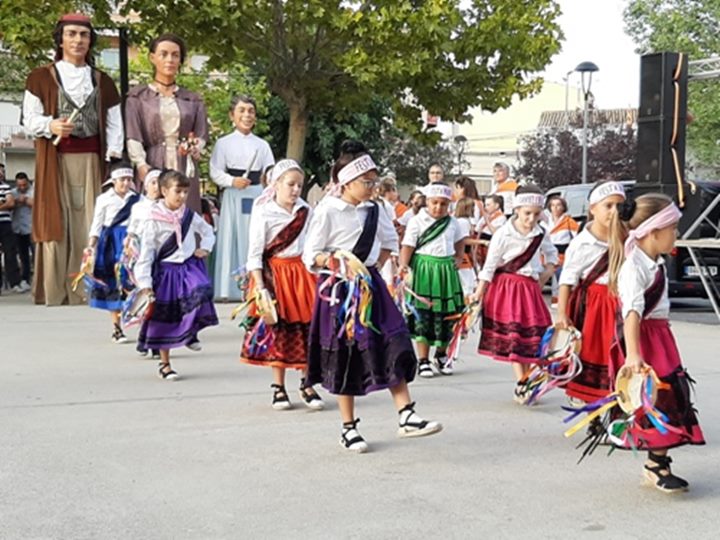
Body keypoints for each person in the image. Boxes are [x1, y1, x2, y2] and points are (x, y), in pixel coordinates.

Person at [303, 140, 442, 453]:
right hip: (340, 291)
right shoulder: (328, 209)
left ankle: (406, 414)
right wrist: (339, 263)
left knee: (394, 342)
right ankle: (348, 428)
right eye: (366, 182)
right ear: (348, 182)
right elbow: (310, 255)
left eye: (374, 181)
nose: (371, 187)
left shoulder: (375, 208)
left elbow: (389, 241)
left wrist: (375, 266)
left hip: (371, 285)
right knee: (346, 355)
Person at [22, 12, 123, 306]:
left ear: (90, 41)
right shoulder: (40, 77)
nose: (78, 40)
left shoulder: (103, 81)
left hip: (93, 159)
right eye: (72, 34)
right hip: (55, 160)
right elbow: (29, 119)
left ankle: (89, 289)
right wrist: (50, 125)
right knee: (57, 220)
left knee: (92, 220)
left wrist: (113, 157)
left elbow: (115, 124)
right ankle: (56, 289)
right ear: (61, 38)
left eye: (84, 35)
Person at [607, 193, 704, 492]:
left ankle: (658, 461)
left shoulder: (654, 261)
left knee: (668, 396)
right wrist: (634, 356)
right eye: (673, 228)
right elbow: (632, 313)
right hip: (645, 341)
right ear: (653, 231)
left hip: (660, 336)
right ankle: (655, 465)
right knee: (656, 399)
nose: (677, 234)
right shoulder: (633, 267)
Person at [240, 159, 324, 410]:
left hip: (301, 274)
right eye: (290, 184)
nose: (295, 190)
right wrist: (260, 288)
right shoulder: (264, 211)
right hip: (274, 275)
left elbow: (312, 245)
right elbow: (254, 254)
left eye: (299, 185)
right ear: (275, 184)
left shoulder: (305, 211)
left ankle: (306, 383)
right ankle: (278, 386)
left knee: (307, 329)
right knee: (279, 330)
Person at [473, 185, 558, 403]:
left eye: (536, 214)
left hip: (530, 288)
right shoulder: (503, 233)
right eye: (527, 213)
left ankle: (526, 379)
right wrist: (479, 293)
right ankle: (522, 381)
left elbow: (552, 255)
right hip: (507, 289)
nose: (531, 219)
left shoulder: (541, 233)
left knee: (531, 337)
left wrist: (546, 274)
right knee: (514, 337)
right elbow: (490, 265)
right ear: (517, 210)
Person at [135, 170, 218, 380]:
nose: (182, 196)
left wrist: (205, 248)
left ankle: (191, 332)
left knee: (201, 290)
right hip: (166, 271)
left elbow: (208, 231)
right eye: (177, 191)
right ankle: (165, 364)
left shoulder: (189, 215)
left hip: (188, 266)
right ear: (164, 191)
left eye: (185, 192)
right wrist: (145, 284)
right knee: (166, 317)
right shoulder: (153, 219)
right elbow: (146, 253)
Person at [555, 181, 626, 404]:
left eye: (619, 206)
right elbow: (567, 280)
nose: (614, 212)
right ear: (593, 208)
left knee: (618, 355)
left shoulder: (626, 238)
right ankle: (591, 402)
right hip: (594, 306)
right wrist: (562, 314)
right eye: (608, 206)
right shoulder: (582, 243)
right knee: (595, 353)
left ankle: (615, 403)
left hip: (619, 303)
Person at [125, 33, 208, 213]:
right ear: (152, 58)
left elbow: (201, 134)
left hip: (184, 164)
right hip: (153, 162)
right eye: (163, 54)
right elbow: (133, 135)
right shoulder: (137, 98)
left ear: (181, 61)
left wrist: (195, 148)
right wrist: (141, 164)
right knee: (152, 215)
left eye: (175, 55)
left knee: (185, 214)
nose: (169, 59)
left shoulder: (193, 99)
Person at [210, 95, 275, 300]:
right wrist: (231, 181)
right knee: (231, 236)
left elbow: (271, 172)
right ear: (232, 115)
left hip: (256, 194)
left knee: (254, 237)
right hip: (233, 195)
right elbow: (214, 171)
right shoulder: (223, 143)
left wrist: (267, 186)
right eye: (242, 110)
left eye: (250, 111)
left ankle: (256, 285)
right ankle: (227, 289)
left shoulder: (262, 145)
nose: (247, 115)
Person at [400, 183, 466, 377]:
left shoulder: (453, 223)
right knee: (424, 315)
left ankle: (442, 354)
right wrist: (404, 267)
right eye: (434, 203)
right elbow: (408, 245)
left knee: (447, 314)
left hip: (446, 272)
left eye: (443, 204)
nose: (438, 207)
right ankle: (423, 360)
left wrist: (459, 257)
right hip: (424, 272)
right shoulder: (417, 221)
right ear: (427, 202)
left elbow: (460, 241)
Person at [85, 163, 139, 343]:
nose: (126, 183)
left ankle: (138, 323)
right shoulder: (104, 198)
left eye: (129, 179)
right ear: (114, 181)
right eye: (122, 179)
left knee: (132, 281)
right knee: (113, 283)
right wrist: (91, 247)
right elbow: (97, 224)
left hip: (130, 242)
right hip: (109, 243)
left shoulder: (137, 199)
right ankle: (117, 328)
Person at [125, 168, 162, 358]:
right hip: (142, 259)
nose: (156, 187)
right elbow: (132, 231)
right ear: (146, 186)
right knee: (146, 299)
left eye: (159, 183)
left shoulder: (168, 207)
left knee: (159, 301)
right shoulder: (138, 207)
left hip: (163, 260)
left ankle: (155, 342)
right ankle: (144, 338)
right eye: (153, 183)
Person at [545, 195, 579, 306]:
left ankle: (560, 300)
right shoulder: (545, 222)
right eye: (553, 205)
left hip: (562, 254)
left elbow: (578, 237)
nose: (555, 208)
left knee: (559, 277)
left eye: (558, 205)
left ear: (563, 207)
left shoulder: (569, 221)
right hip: (546, 254)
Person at [11, 173, 34, 292]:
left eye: (24, 184)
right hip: (18, 228)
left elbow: (36, 203)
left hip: (31, 227)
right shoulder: (13, 192)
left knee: (35, 255)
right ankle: (25, 279)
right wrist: (16, 201)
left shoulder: (34, 190)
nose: (22, 187)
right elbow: (9, 203)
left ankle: (36, 278)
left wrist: (25, 200)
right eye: (20, 185)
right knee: (23, 256)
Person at [0, 169, 21, 293]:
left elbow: (11, 202)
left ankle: (14, 283)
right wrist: (3, 204)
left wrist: (3, 205)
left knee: (10, 253)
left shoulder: (5, 187)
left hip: (5, 223)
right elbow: (6, 203)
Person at [454, 197, 478, 299]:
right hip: (462, 256)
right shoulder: (463, 222)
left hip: (466, 255)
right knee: (467, 284)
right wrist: (483, 242)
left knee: (470, 282)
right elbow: (464, 240)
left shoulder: (464, 221)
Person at [475, 194, 507, 268]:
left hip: (489, 243)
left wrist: (487, 221)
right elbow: (477, 229)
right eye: (485, 205)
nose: (486, 208)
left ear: (496, 205)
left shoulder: (501, 218)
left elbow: (495, 232)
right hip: (480, 244)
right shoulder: (486, 216)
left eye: (488, 205)